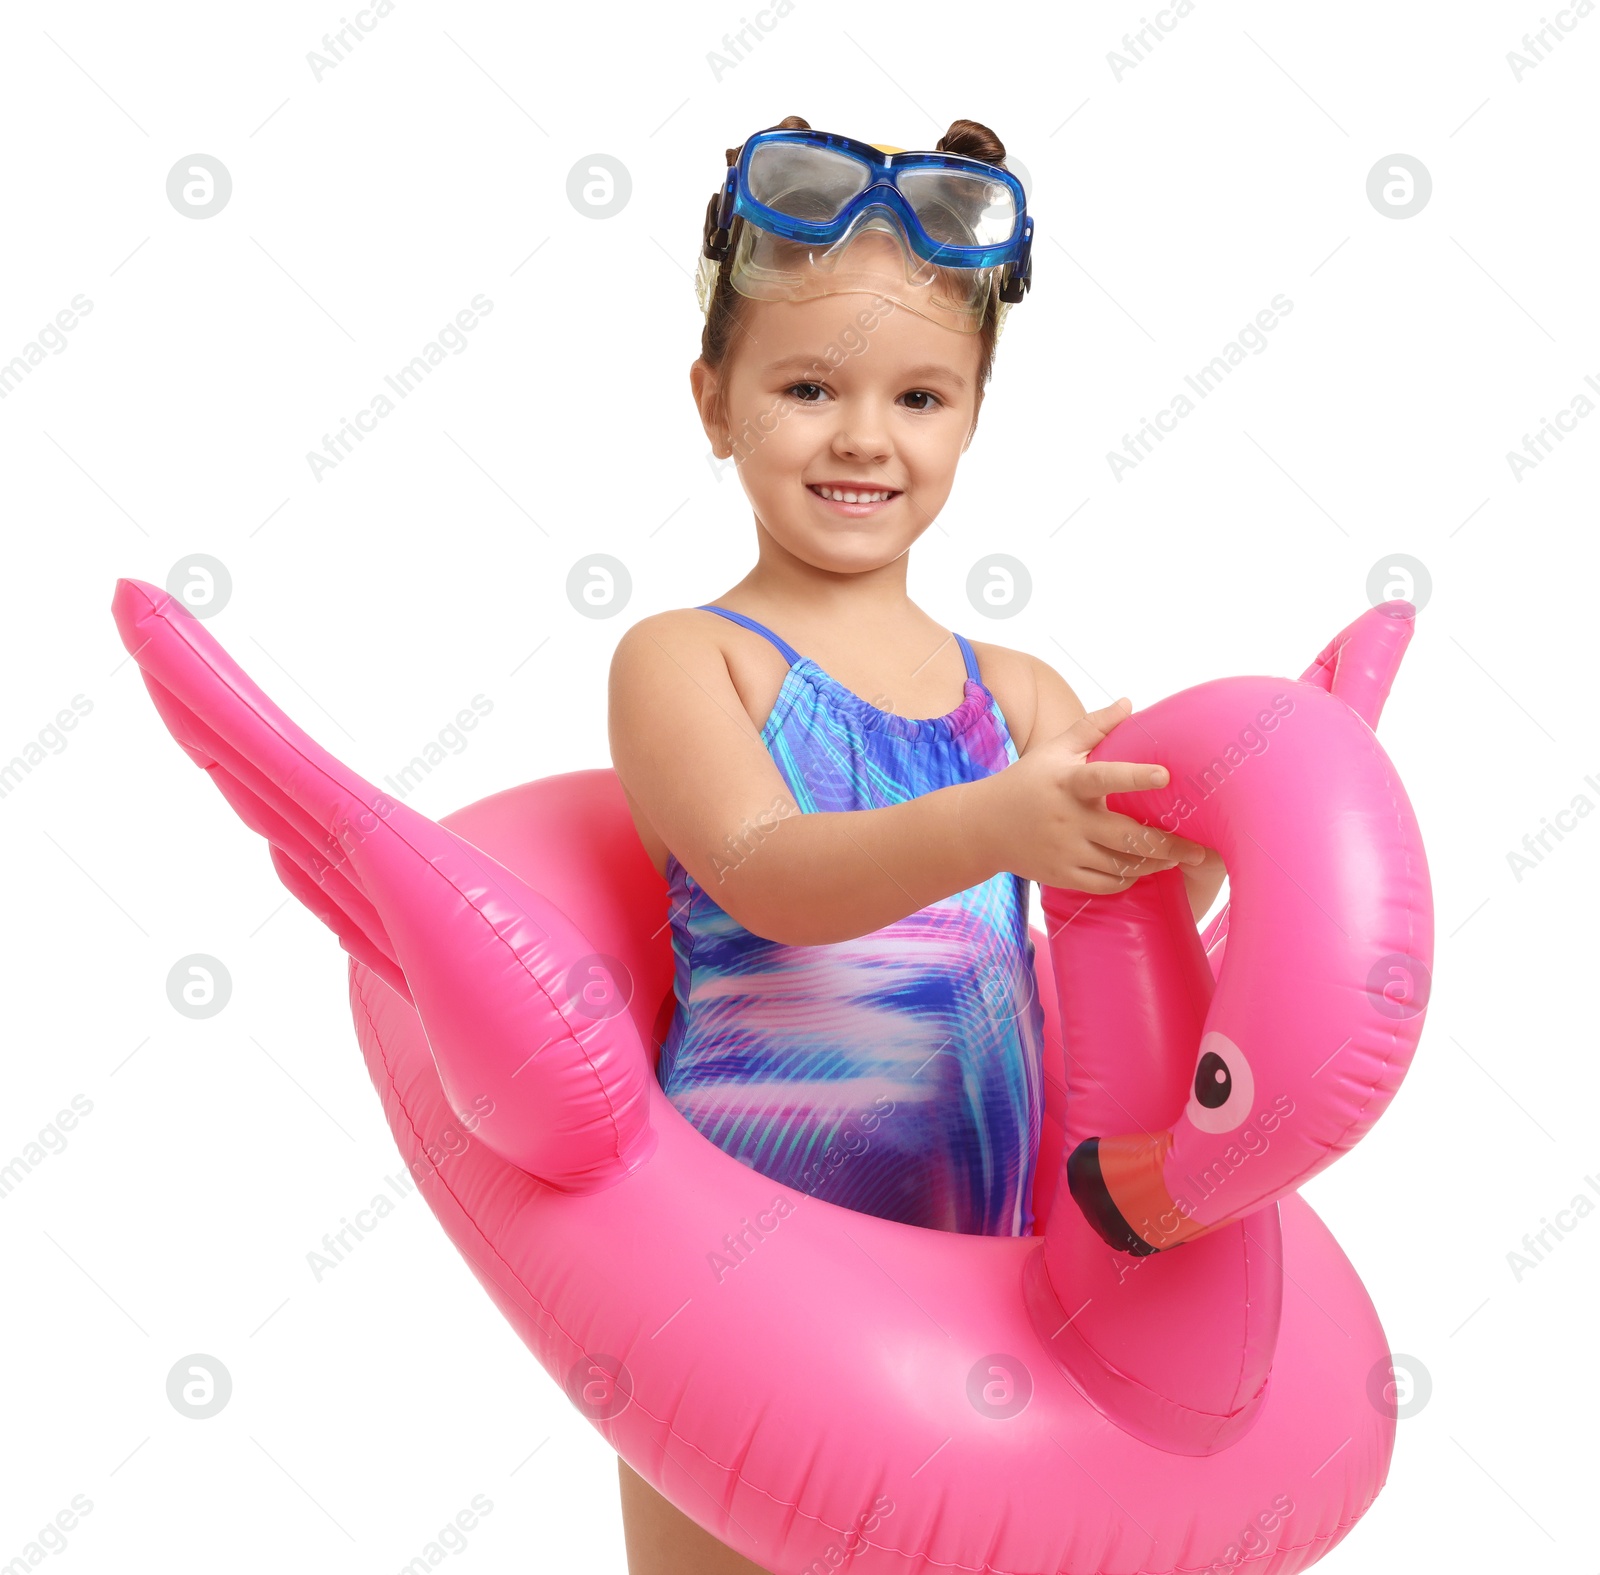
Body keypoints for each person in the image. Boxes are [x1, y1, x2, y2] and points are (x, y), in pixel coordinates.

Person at [606, 115, 1228, 1575]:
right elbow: (768, 872)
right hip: (733, 1258)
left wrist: (1203, 847)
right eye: (807, 386)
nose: (865, 437)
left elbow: (1119, 942)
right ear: (715, 401)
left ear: (972, 415)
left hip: (976, 1253)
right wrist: (1003, 821)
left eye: (921, 395)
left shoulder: (1015, 697)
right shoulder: (693, 662)